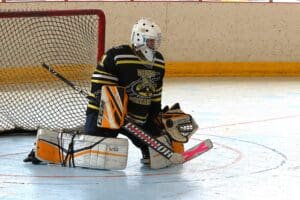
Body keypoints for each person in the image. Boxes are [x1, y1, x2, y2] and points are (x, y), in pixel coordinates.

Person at [84, 17, 165, 164]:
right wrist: (115, 111)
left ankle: (146, 148)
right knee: (98, 153)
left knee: (160, 146)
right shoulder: (116, 55)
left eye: (155, 41)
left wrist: (154, 119)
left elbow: (156, 95)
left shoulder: (158, 61)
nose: (154, 45)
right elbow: (100, 88)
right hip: (105, 116)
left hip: (136, 118)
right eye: (151, 41)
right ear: (139, 39)